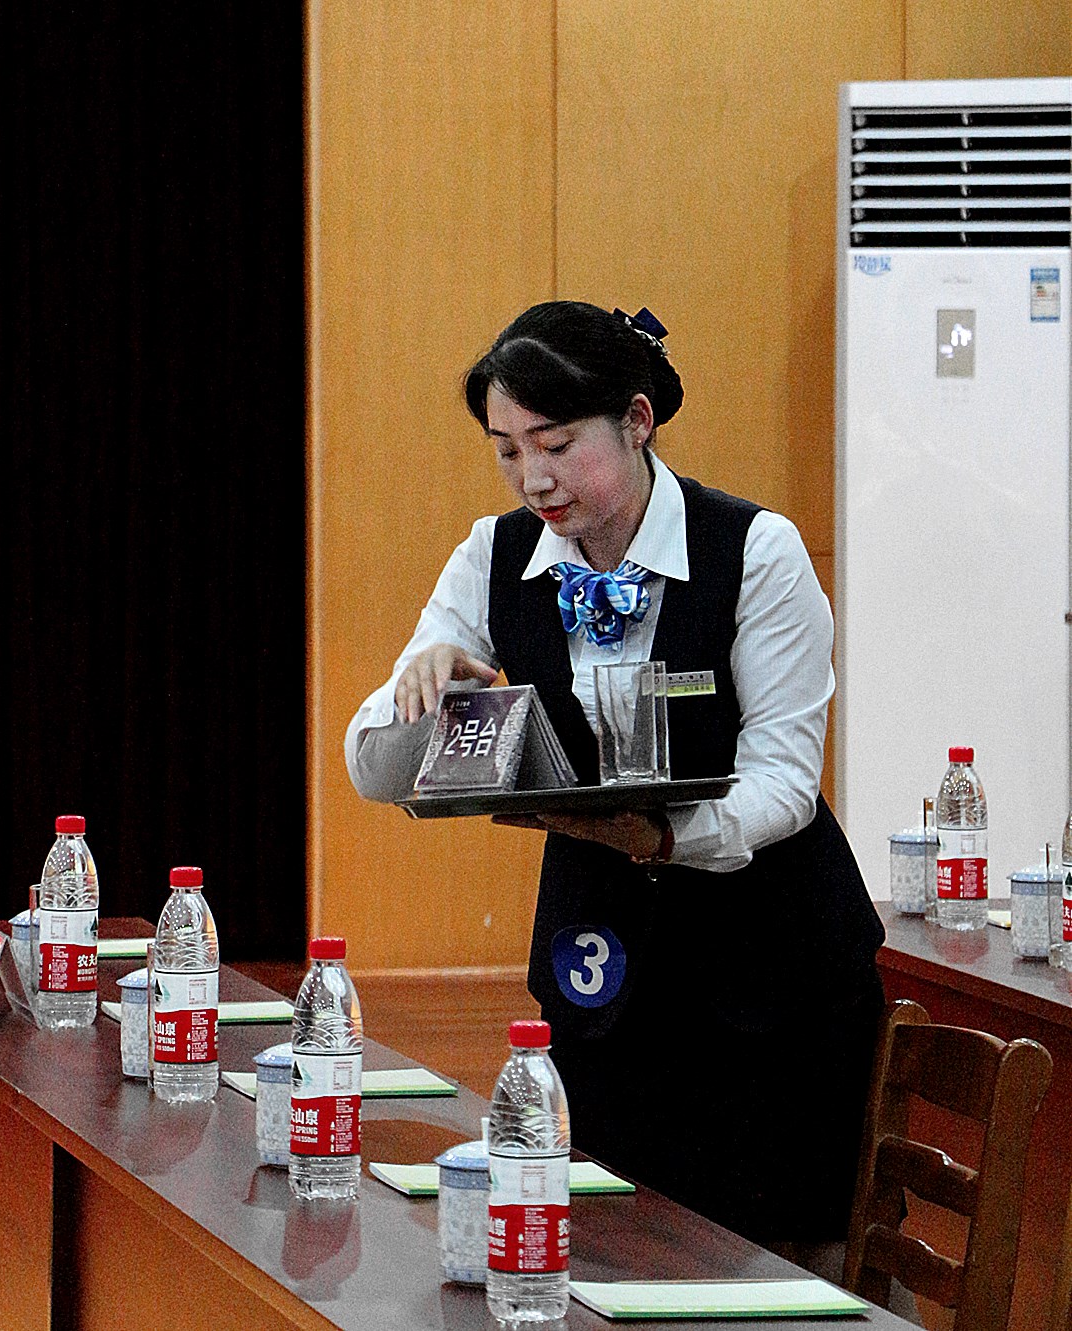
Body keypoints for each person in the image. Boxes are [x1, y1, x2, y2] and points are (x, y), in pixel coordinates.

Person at [344, 300, 885, 1253]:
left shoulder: (754, 550)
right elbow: (368, 767)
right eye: (507, 450)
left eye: (555, 443)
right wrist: (419, 694)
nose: (533, 478)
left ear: (636, 421)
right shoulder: (494, 554)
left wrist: (664, 836)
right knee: (601, 1249)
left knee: (781, 1264)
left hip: (771, 975)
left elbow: (783, 781)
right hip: (599, 972)